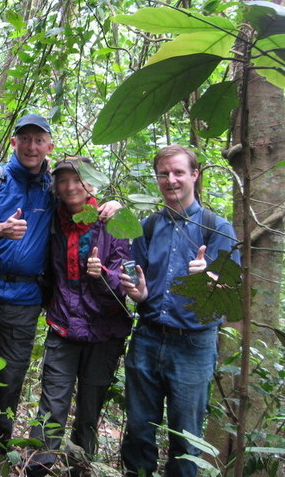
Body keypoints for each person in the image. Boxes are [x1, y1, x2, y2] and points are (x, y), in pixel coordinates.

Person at [0, 114, 119, 461]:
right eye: (25, 139)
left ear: (49, 146)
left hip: (25, 298)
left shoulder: (52, 189)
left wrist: (112, 206)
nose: (32, 146)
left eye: (39, 140)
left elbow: (80, 204)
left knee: (9, 379)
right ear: (14, 143)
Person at [120, 144, 240, 477]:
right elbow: (139, 285)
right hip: (147, 338)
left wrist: (211, 276)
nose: (171, 180)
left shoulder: (216, 228)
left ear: (194, 175)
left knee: (187, 440)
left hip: (193, 345)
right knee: (139, 431)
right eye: (164, 173)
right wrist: (139, 293)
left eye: (178, 172)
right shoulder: (148, 226)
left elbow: (231, 293)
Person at [25, 156, 132, 476]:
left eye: (79, 179)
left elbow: (130, 278)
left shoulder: (114, 220)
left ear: (92, 184)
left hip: (105, 329)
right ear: (56, 186)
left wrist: (105, 276)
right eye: (64, 180)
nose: (71, 186)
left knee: (89, 410)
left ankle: (80, 467)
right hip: (63, 325)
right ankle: (36, 468)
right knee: (52, 406)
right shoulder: (52, 220)